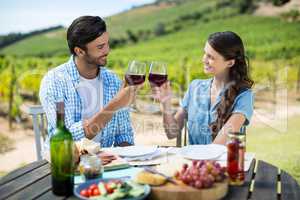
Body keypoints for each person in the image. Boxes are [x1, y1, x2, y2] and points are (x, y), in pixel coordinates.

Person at [39, 16, 140, 149]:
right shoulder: (55, 81)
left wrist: (127, 160)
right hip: (66, 163)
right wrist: (114, 105)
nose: (107, 50)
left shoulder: (113, 81)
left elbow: (123, 135)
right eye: (100, 47)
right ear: (79, 51)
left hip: (104, 164)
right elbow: (67, 136)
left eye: (107, 44)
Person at [155, 31, 254, 145]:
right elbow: (171, 133)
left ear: (230, 63)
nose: (204, 60)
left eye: (210, 57)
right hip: (194, 162)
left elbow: (217, 147)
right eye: (205, 53)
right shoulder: (195, 87)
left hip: (223, 162)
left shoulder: (244, 96)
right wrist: (165, 104)